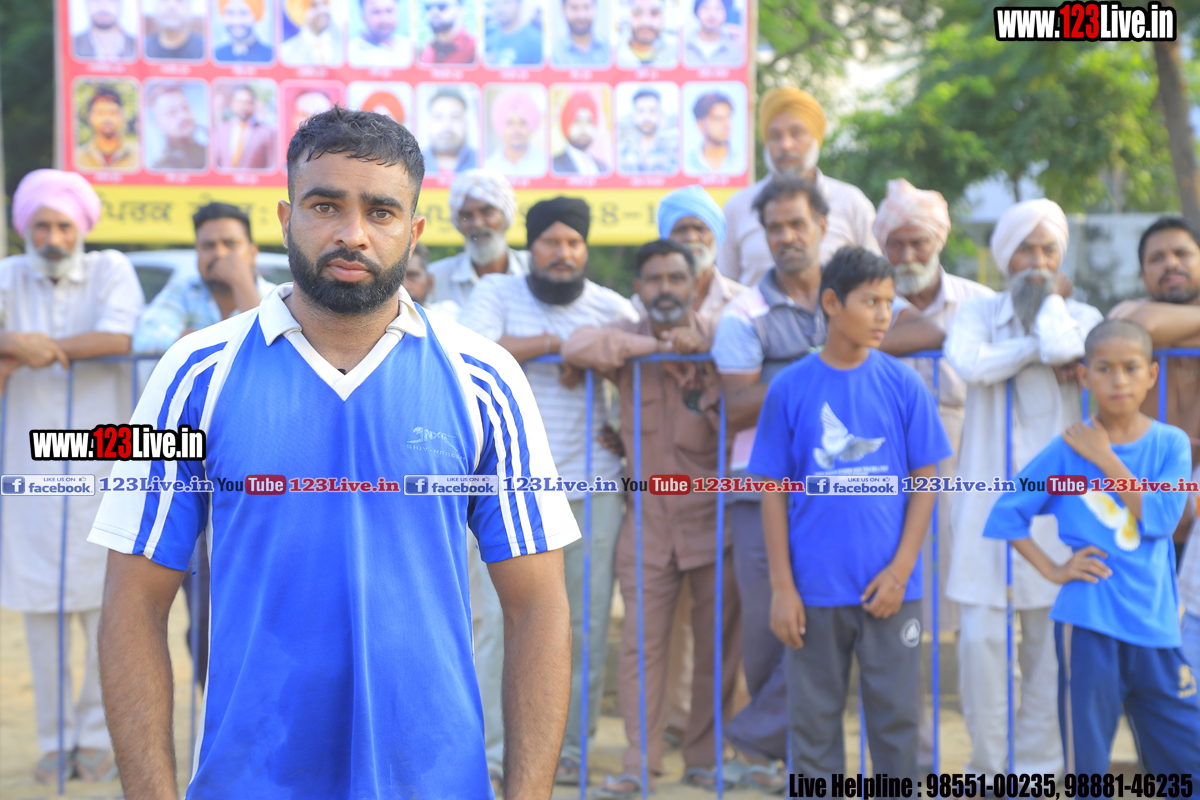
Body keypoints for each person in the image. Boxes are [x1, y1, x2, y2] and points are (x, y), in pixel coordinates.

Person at [92, 107, 576, 799]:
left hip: (435, 782)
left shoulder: (485, 378)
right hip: (250, 782)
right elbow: (133, 603)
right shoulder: (194, 374)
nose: (353, 233)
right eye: (326, 206)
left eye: (381, 212)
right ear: (286, 218)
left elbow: (539, 606)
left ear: (413, 232)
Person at [753, 246, 951, 780]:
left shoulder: (905, 384)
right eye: (870, 302)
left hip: (891, 591)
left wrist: (900, 571)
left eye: (889, 302)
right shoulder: (790, 387)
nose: (884, 314)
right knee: (813, 730)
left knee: (896, 726)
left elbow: (927, 483)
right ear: (832, 303)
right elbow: (771, 491)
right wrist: (782, 587)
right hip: (813, 590)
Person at [460, 197, 638, 787]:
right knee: (497, 625)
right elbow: (475, 354)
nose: (563, 253)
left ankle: (569, 751)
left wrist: (602, 371)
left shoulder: (612, 306)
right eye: (551, 242)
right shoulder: (497, 292)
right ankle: (492, 754)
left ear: (585, 250)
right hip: (506, 489)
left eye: (573, 244)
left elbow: (639, 358)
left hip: (593, 485)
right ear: (530, 247)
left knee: (583, 626)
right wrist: (564, 345)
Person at [563, 240, 742, 797]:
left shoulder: (721, 334)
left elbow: (748, 353)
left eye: (675, 278)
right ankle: (639, 764)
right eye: (655, 279)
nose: (666, 289)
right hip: (647, 525)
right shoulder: (626, 335)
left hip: (714, 520)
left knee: (717, 645)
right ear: (639, 287)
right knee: (642, 647)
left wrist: (702, 347)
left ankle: (706, 758)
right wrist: (655, 348)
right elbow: (577, 344)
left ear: (695, 284)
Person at [983, 320, 1200, 772]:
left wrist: (1103, 456)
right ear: (1084, 376)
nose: (1118, 380)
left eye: (1130, 368)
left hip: (1156, 625)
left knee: (1186, 760)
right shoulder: (1066, 450)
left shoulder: (1170, 443)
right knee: (1088, 764)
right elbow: (1006, 513)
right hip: (1087, 626)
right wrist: (1054, 570)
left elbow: (1161, 518)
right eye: (1104, 369)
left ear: (1151, 374)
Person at [944, 198, 1103, 776]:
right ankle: (989, 772)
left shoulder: (1081, 314)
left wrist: (1050, 309)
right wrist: (1033, 349)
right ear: (1003, 255)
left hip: (1058, 505)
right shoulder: (977, 313)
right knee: (981, 644)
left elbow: (1066, 348)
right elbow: (970, 365)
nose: (1036, 263)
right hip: (985, 500)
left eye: (1048, 251)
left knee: (1050, 648)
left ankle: (1037, 774)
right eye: (1025, 250)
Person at [0, 169, 145, 785]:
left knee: (105, 604)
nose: (53, 238)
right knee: (43, 609)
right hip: (29, 467)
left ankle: (95, 737)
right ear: (26, 229)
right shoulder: (9, 276)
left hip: (104, 460)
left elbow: (118, 335)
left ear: (80, 228)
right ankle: (56, 741)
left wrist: (31, 348)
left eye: (63, 226)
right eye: (42, 226)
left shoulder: (111, 268)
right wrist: (13, 340)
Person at [710, 176, 829, 791]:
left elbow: (912, 330)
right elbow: (737, 407)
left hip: (839, 488)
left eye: (796, 224)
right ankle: (774, 759)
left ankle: (765, 742)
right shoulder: (744, 312)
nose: (786, 237)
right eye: (774, 227)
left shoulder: (849, 297)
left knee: (829, 618)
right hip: (758, 487)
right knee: (766, 629)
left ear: (822, 227)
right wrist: (820, 364)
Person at [873, 178, 993, 767]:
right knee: (904, 624)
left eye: (917, 242)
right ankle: (915, 761)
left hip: (969, 476)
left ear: (939, 241)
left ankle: (991, 758)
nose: (906, 255)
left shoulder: (980, 302)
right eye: (894, 244)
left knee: (982, 621)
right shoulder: (868, 306)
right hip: (890, 485)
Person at [717, 88, 879, 288]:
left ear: (815, 138)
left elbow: (877, 280)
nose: (785, 145)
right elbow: (726, 288)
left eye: (796, 133)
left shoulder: (851, 202)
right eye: (775, 136)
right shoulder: (738, 206)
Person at [133, 203, 276, 354]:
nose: (219, 253)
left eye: (230, 244)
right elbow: (144, 337)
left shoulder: (276, 297)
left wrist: (241, 281)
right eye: (208, 246)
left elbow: (268, 346)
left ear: (253, 253)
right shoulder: (185, 290)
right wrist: (228, 344)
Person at [428, 168, 530, 311]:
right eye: (466, 216)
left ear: (505, 215)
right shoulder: (435, 279)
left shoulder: (534, 269)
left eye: (486, 212)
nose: (477, 224)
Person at [651, 185, 745, 321]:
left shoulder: (743, 301)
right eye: (680, 229)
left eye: (700, 229)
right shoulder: (645, 304)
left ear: (716, 235)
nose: (691, 238)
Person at [485, 88, 546, 177]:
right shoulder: (488, 167)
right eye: (510, 123)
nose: (516, 129)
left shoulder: (544, 163)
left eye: (522, 123)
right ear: (500, 127)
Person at [75, 85, 139, 171]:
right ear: (90, 117)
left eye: (112, 112)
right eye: (100, 113)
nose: (106, 118)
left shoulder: (138, 155)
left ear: (121, 117)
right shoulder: (77, 157)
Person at [617, 88, 678, 175]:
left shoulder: (674, 146)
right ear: (634, 115)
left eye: (652, 111)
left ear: (659, 114)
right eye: (641, 111)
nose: (646, 117)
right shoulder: (622, 148)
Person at [147, 84, 207, 171]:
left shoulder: (213, 154)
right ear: (159, 123)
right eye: (172, 112)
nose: (183, 115)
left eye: (185, 107)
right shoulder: (160, 170)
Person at [214, 85, 276, 170]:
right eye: (240, 102)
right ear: (232, 103)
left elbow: (271, 165)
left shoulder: (266, 132)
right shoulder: (221, 130)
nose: (243, 106)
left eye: (248, 102)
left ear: (253, 104)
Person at [421, 88, 479, 175]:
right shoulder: (411, 163)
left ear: (466, 124)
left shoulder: (482, 161)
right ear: (428, 124)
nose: (446, 125)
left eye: (455, 117)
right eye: (438, 117)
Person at [552, 90, 609, 175]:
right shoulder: (553, 166)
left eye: (589, 121)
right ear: (566, 125)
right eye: (577, 121)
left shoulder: (604, 168)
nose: (583, 128)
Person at [685, 91, 740, 175]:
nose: (727, 125)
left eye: (728, 117)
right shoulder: (687, 162)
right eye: (718, 118)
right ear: (700, 124)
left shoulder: (741, 160)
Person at [348, 0, 415, 67]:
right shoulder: (351, 53)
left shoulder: (410, 47)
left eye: (389, 11)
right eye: (376, 12)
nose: (384, 19)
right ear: (363, 17)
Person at [616, 0, 677, 68]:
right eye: (637, 12)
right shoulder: (611, 52)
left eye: (654, 12)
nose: (645, 21)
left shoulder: (678, 52)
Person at [280, 0, 344, 65]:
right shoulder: (286, 53)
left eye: (325, 4)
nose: (322, 10)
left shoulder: (345, 44)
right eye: (313, 6)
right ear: (300, 12)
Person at [683, 0, 742, 66]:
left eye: (718, 8)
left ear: (726, 13)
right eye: (706, 7)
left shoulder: (736, 50)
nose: (712, 14)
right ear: (697, 11)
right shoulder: (681, 47)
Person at [73, 0, 137, 59]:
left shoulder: (138, 46)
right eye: (95, 0)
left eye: (111, 0)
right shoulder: (72, 46)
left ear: (120, 3)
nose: (103, 7)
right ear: (86, 3)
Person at [550, 0, 608, 66]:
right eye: (574, 8)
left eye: (586, 7)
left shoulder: (610, 48)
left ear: (595, 8)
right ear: (563, 10)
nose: (581, 15)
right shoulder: (553, 53)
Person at [486, 0, 543, 66]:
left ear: (518, 5)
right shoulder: (492, 36)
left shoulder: (536, 40)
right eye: (495, 2)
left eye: (505, 2)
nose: (499, 7)